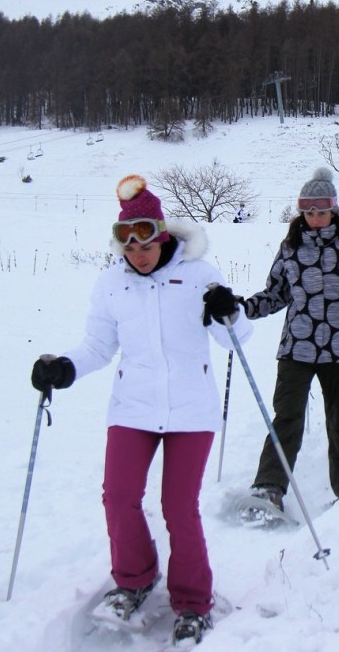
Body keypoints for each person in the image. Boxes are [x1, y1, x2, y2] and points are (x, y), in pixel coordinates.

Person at [30, 175, 252, 645]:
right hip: (133, 407)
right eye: (128, 245)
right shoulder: (112, 284)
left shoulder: (200, 274)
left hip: (191, 409)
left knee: (179, 507)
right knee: (118, 496)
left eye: (146, 242)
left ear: (162, 234)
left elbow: (236, 338)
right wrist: (65, 368)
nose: (138, 253)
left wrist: (228, 310)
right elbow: (98, 345)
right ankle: (134, 579)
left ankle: (193, 602)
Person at [236, 168, 339, 520]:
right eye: (308, 211)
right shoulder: (291, 248)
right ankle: (269, 487)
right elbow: (276, 294)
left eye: (321, 211)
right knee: (286, 418)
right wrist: (242, 309)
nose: (315, 218)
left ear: (333, 210)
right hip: (296, 347)